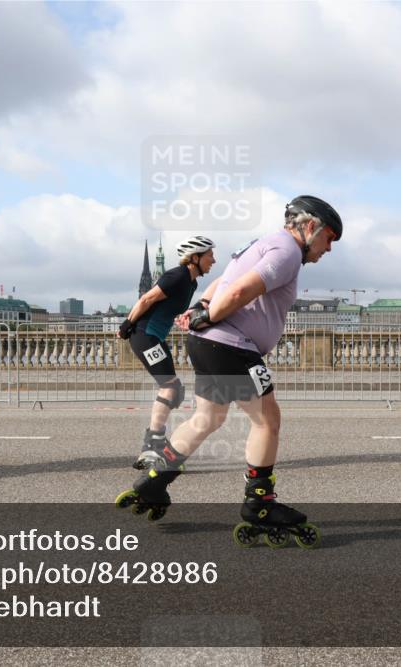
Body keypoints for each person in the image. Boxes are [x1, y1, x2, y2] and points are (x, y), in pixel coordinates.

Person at [116, 196, 342, 548]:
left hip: (209, 345)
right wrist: (210, 315)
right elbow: (237, 291)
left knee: (207, 419)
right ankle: (260, 504)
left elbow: (223, 279)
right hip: (232, 347)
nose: (329, 248)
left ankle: (155, 481)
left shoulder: (263, 244)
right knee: (267, 421)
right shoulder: (286, 252)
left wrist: (202, 307)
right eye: (329, 238)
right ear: (310, 226)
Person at [118, 236, 216, 469]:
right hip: (145, 335)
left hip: (155, 337)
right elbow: (147, 298)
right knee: (170, 388)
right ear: (195, 258)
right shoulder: (177, 276)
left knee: (175, 390)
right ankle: (152, 445)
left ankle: (155, 441)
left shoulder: (191, 283)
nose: (213, 260)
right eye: (210, 255)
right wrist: (127, 324)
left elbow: (169, 307)